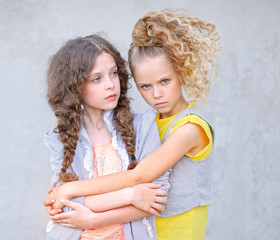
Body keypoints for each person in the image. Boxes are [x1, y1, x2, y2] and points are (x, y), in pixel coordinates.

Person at [48, 9, 222, 239]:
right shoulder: (146, 124)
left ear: (182, 72)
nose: (157, 94)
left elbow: (139, 177)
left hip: (180, 233)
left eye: (165, 81)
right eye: (145, 86)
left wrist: (69, 190)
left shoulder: (191, 129)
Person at [44, 34, 169, 240]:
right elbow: (61, 205)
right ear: (74, 88)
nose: (111, 84)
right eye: (97, 78)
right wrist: (130, 195)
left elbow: (157, 198)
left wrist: (91, 214)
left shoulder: (144, 127)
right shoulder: (60, 139)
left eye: (113, 73)